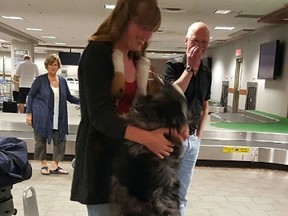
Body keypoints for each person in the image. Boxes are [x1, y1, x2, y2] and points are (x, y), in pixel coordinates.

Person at [70, 0, 188, 215]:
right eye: (143, 27)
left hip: (131, 168)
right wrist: (147, 138)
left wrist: (176, 124)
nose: (147, 36)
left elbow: (146, 109)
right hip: (102, 163)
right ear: (123, 20)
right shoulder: (97, 54)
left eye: (152, 30)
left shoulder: (137, 60)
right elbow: (100, 116)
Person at [164, 22, 211, 216]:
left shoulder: (207, 72)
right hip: (172, 138)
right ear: (186, 41)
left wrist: (199, 136)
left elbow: (204, 104)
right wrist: (189, 68)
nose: (198, 46)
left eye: (204, 42)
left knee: (182, 194)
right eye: (194, 41)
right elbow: (171, 96)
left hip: (192, 141)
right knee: (164, 190)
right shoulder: (173, 65)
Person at [26, 54, 80, 175]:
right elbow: (31, 96)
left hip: (59, 117)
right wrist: (29, 113)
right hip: (41, 116)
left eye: (55, 65)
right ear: (46, 66)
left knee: (61, 140)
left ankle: (55, 165)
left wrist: (83, 102)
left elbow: (69, 97)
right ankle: (43, 164)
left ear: (58, 66)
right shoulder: (40, 80)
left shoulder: (62, 81)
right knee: (40, 141)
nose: (53, 67)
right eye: (50, 64)